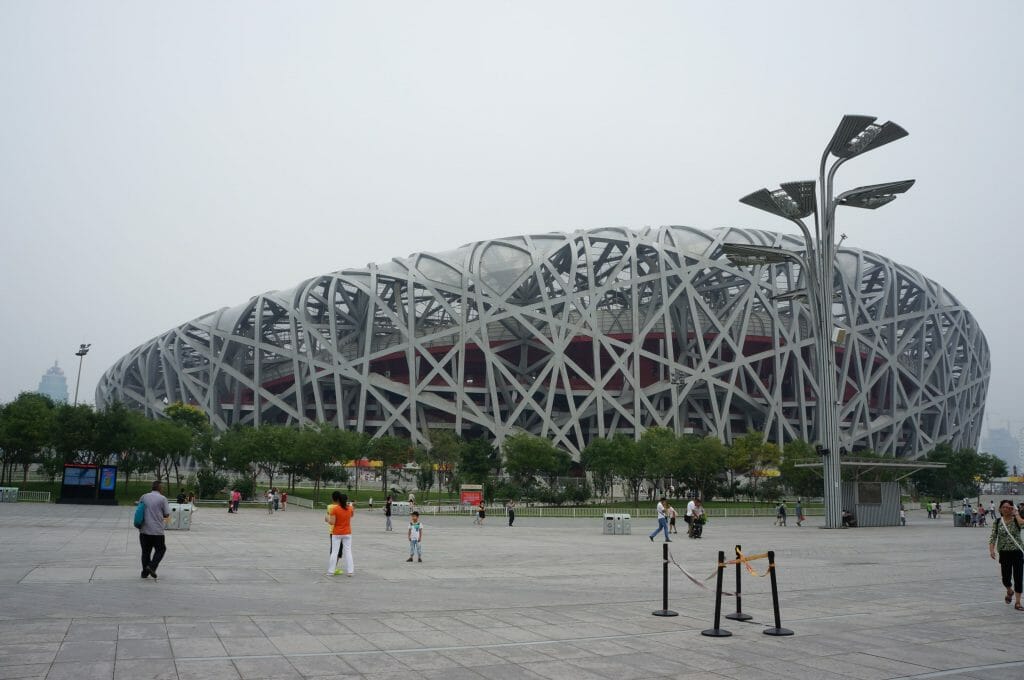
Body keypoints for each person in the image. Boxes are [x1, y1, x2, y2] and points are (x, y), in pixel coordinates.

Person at [989, 499, 1024, 610]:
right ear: (1000, 509)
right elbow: (993, 536)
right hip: (1004, 553)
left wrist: (1017, 513)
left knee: (1018, 577)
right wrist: (991, 550)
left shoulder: (1016, 520)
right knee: (1006, 578)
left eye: (1009, 507)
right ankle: (1009, 590)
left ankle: (1018, 602)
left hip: (1017, 552)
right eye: (1004, 507)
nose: (1006, 509)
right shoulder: (998, 521)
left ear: (1012, 508)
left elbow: (1022, 525)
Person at [138, 481, 171, 579]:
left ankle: (144, 573)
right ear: (160, 488)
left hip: (144, 530)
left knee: (145, 552)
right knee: (161, 549)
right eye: (162, 487)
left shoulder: (144, 496)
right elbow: (167, 514)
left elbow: (139, 509)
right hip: (157, 531)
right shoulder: (162, 498)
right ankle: (152, 566)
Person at [326, 493, 355, 577]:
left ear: (338, 500)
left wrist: (327, 519)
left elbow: (332, 522)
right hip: (347, 532)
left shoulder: (335, 509)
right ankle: (350, 571)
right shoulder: (349, 508)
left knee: (334, 552)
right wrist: (351, 506)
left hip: (337, 533)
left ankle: (331, 571)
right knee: (348, 552)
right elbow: (352, 515)